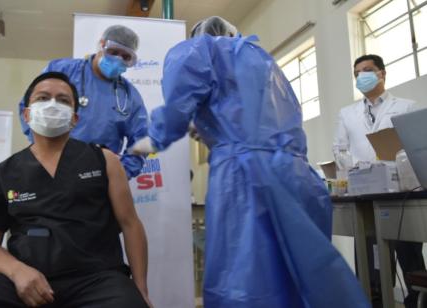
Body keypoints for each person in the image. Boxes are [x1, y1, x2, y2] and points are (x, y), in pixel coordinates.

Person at [130, 16, 369, 308]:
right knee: (304, 273)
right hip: (297, 175)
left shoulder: (201, 50)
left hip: (244, 178)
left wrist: (155, 138)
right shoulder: (263, 61)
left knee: (247, 277)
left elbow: (180, 104)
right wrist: (212, 129)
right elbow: (263, 121)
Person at [0, 72, 151, 308]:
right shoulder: (2, 174)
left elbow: (130, 224)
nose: (53, 105)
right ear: (26, 113)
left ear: (75, 118)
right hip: (25, 280)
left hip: (98, 280)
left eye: (63, 100)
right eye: (43, 98)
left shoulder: (105, 161)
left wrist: (141, 289)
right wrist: (16, 271)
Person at [334, 54, 424, 308]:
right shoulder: (347, 113)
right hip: (365, 197)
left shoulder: (407, 106)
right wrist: (361, 170)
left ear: (382, 73)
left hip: (400, 195)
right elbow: (339, 149)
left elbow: (416, 146)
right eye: (357, 73)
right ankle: (373, 300)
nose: (362, 76)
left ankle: (416, 301)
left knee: (410, 258)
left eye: (367, 70)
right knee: (371, 262)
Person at [18, 25, 148, 179]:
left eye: (125, 57)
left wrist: (120, 173)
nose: (117, 59)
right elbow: (28, 107)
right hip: (51, 167)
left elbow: (142, 139)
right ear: (101, 45)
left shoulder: (129, 95)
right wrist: (43, 148)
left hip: (98, 176)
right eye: (113, 52)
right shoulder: (62, 70)